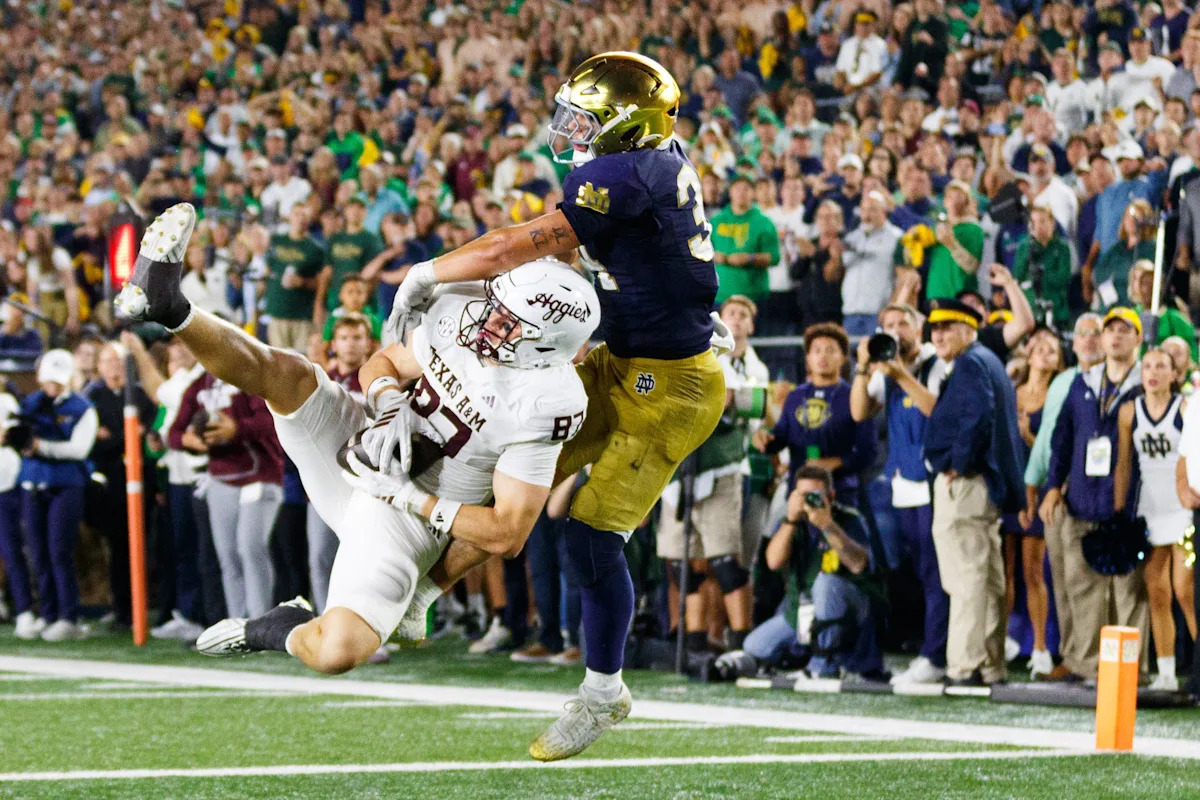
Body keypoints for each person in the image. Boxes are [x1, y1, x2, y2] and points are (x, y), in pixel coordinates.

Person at [116, 205, 597, 741]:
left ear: (544, 347)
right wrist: (388, 401)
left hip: (408, 522)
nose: (488, 321)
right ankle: (171, 305)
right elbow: (380, 364)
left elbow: (507, 533)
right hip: (365, 448)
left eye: (508, 322)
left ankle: (276, 628)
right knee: (288, 374)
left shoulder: (545, 403)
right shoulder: (465, 309)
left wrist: (411, 499)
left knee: (337, 651)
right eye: (496, 305)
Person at [385, 52, 728, 761]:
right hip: (627, 357)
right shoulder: (650, 159)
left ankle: (604, 695)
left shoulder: (623, 172)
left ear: (627, 124)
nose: (569, 130)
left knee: (590, 537)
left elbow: (511, 248)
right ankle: (424, 594)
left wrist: (426, 273)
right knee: (501, 476)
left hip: (672, 390)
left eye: (585, 118)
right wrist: (689, 304)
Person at [1040, 307, 1150, 682]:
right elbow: (1062, 439)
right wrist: (1053, 487)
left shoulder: (1146, 383)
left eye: (1125, 330)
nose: (1116, 336)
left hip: (1130, 504)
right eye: (1110, 330)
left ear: (1138, 338)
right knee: (1081, 586)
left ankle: (1130, 670)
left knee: (1129, 592)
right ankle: (1087, 665)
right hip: (1083, 499)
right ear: (1102, 339)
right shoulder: (1082, 383)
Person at [658, 295, 768, 655]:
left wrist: (710, 402)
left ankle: (741, 647)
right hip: (675, 473)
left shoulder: (722, 352)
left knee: (725, 562)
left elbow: (740, 400)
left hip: (719, 467)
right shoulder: (660, 354)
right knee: (682, 567)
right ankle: (694, 647)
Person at [923, 298, 1024, 686]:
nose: (938, 335)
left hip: (966, 485)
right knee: (988, 579)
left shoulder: (969, 364)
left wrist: (958, 463)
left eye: (947, 327)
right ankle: (990, 664)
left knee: (965, 579)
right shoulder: (988, 360)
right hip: (985, 485)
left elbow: (978, 415)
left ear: (969, 329)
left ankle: (965, 666)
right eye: (934, 329)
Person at [849, 304, 945, 685]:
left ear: (918, 329)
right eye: (887, 325)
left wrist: (900, 373)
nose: (895, 330)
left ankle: (936, 654)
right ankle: (929, 646)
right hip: (904, 482)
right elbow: (859, 411)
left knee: (937, 572)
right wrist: (863, 367)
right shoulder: (885, 369)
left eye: (902, 323)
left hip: (934, 481)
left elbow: (935, 409)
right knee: (919, 571)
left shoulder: (937, 363)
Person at [168, 351, 286, 622]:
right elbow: (174, 433)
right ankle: (238, 625)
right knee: (228, 556)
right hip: (221, 478)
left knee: (250, 548)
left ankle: (259, 623)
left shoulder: (251, 377)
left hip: (260, 475)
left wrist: (238, 429)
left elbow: (272, 420)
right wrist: (188, 440)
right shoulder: (199, 386)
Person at [1021, 313, 1105, 682]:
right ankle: (1072, 656)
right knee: (1062, 578)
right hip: (1055, 491)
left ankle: (1090, 660)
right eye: (1082, 332)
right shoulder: (1063, 381)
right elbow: (1047, 440)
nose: (1088, 339)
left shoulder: (1110, 381)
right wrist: (1034, 483)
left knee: (1084, 579)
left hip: (1087, 491)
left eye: (1096, 333)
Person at [748, 466, 884, 679]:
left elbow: (858, 564)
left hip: (849, 610)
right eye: (803, 495)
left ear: (831, 496)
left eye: (815, 495)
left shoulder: (849, 518)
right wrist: (790, 520)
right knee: (754, 646)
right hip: (802, 611)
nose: (809, 501)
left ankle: (823, 665)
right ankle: (804, 657)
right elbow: (773, 562)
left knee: (825, 583)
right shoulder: (793, 523)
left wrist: (827, 525)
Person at [1115, 347, 1197, 690]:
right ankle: (1166, 672)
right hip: (1150, 509)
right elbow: (1124, 464)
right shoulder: (1129, 412)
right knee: (1157, 592)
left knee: (1185, 591)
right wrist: (1119, 511)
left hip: (1183, 510)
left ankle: (1196, 667)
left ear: (1174, 374)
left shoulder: (1186, 409)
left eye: (1161, 366)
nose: (1152, 372)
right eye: (1147, 366)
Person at [18, 349, 98, 641]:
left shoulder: (82, 407)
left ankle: (68, 616)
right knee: (38, 554)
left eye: (56, 380)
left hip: (65, 485)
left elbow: (79, 449)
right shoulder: (30, 403)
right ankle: (48, 613)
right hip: (33, 484)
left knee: (59, 551)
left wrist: (42, 447)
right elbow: (19, 436)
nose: (51, 386)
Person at [754, 323, 877, 508]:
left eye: (830, 350)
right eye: (817, 350)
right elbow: (780, 437)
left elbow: (868, 451)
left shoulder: (856, 396)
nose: (823, 356)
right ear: (808, 358)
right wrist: (764, 438)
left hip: (841, 494)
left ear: (843, 358)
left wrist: (834, 463)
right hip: (798, 493)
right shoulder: (795, 397)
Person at [1005, 329, 1065, 678]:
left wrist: (1028, 435)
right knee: (1003, 571)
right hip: (1008, 488)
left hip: (1038, 488)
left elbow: (1053, 450)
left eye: (1051, 350)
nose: (1044, 353)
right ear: (1027, 355)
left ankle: (1040, 648)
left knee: (1033, 571)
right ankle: (1001, 641)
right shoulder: (1010, 393)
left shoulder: (1058, 397)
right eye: (1038, 348)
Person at [83, 341, 156, 629]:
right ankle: (121, 608)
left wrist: (113, 437)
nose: (113, 366)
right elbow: (93, 444)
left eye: (118, 360)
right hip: (109, 487)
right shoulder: (93, 398)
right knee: (116, 547)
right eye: (107, 360)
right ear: (99, 367)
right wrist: (128, 436)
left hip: (142, 482)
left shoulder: (141, 396)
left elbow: (147, 436)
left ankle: (144, 607)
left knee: (143, 545)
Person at [308, 314, 375, 613]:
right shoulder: (319, 381)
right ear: (333, 344)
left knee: (364, 558)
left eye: (357, 337)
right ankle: (327, 619)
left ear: (369, 343)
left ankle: (365, 623)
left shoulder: (378, 381)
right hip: (324, 480)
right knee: (321, 557)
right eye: (344, 338)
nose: (350, 344)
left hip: (365, 484)